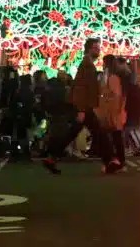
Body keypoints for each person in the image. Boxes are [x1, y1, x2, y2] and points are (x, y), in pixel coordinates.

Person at [43, 38, 112, 175]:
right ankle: (109, 161)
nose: (99, 51)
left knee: (72, 134)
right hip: (85, 107)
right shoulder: (87, 65)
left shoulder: (87, 64)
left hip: (85, 107)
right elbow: (81, 89)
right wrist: (81, 109)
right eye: (96, 48)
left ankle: (51, 157)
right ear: (89, 49)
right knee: (99, 134)